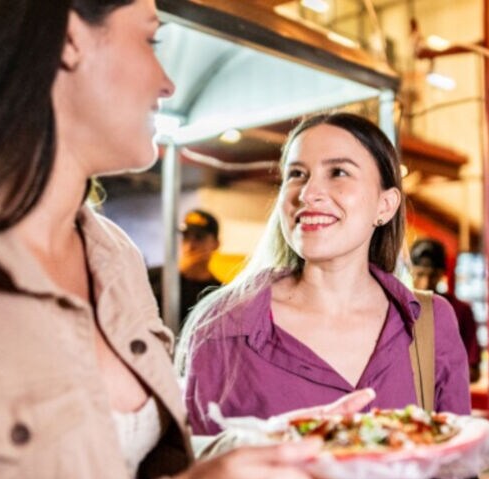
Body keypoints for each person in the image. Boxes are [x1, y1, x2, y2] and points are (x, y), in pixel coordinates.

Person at [0, 1, 344, 479]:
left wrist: (268, 450)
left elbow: (118, 464)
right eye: (152, 41)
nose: (167, 83)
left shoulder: (113, 256)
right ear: (69, 40)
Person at [179, 113, 471, 435]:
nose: (308, 193)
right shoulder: (222, 326)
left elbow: (454, 469)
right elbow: (197, 470)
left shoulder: (429, 323)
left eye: (338, 172)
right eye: (296, 174)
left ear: (384, 206)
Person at [410, 238, 482, 383]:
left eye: (432, 275)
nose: (425, 284)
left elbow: (474, 372)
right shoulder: (398, 309)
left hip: (447, 403)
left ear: (441, 274)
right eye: (420, 274)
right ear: (411, 271)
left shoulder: (461, 311)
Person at [148, 208, 223, 326]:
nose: (190, 245)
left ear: (215, 244)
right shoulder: (153, 276)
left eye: (199, 238)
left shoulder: (218, 292)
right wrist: (176, 273)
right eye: (185, 237)